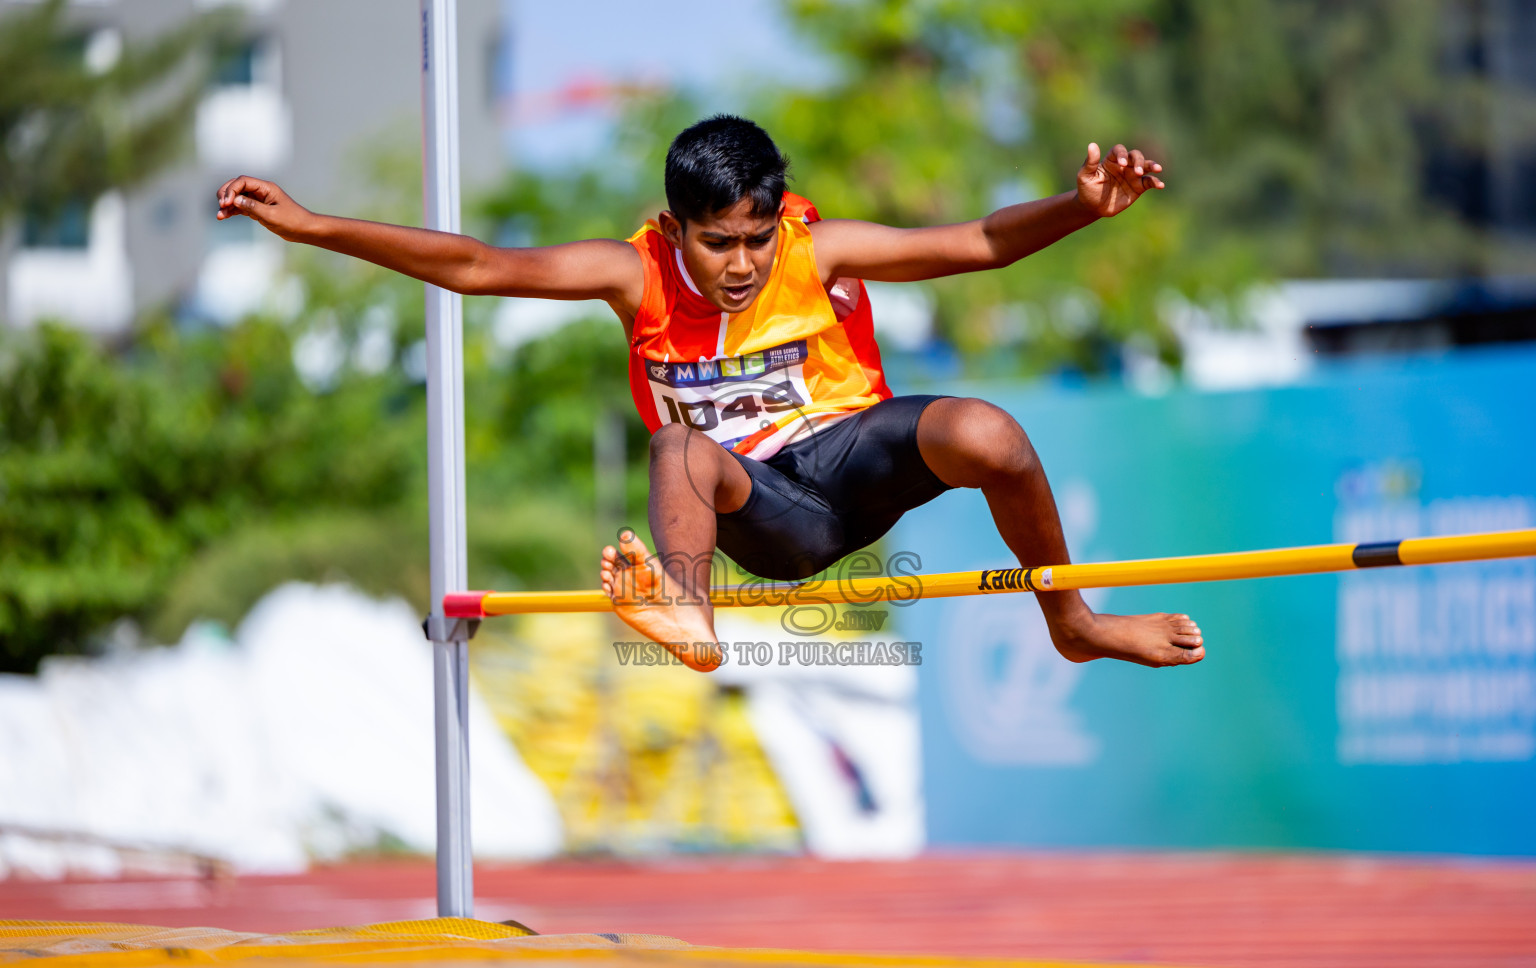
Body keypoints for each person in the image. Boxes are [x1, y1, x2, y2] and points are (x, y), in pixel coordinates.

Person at [216, 114, 1204, 673]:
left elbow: (981, 242)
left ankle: (1073, 623)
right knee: (678, 449)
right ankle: (691, 619)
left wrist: (1080, 206)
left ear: (779, 219)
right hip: (758, 508)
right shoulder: (629, 271)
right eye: (717, 243)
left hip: (854, 460)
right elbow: (477, 266)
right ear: (673, 226)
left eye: (756, 239)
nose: (740, 264)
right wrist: (313, 227)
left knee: (989, 430)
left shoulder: (822, 250)